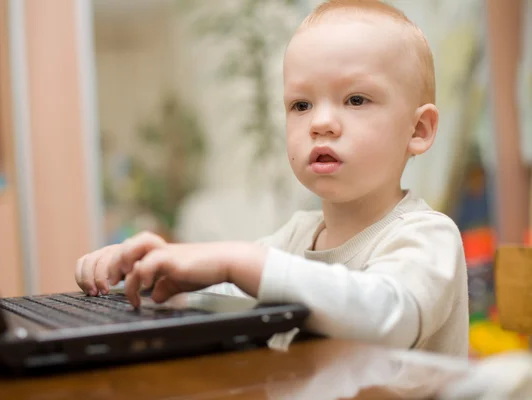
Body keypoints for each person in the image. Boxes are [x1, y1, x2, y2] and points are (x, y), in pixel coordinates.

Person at [75, 0, 469, 356]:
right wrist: (149, 274)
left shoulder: (428, 236)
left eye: (355, 99)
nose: (321, 122)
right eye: (301, 104)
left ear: (418, 131)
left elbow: (387, 318)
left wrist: (240, 261)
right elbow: (221, 298)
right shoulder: (296, 236)